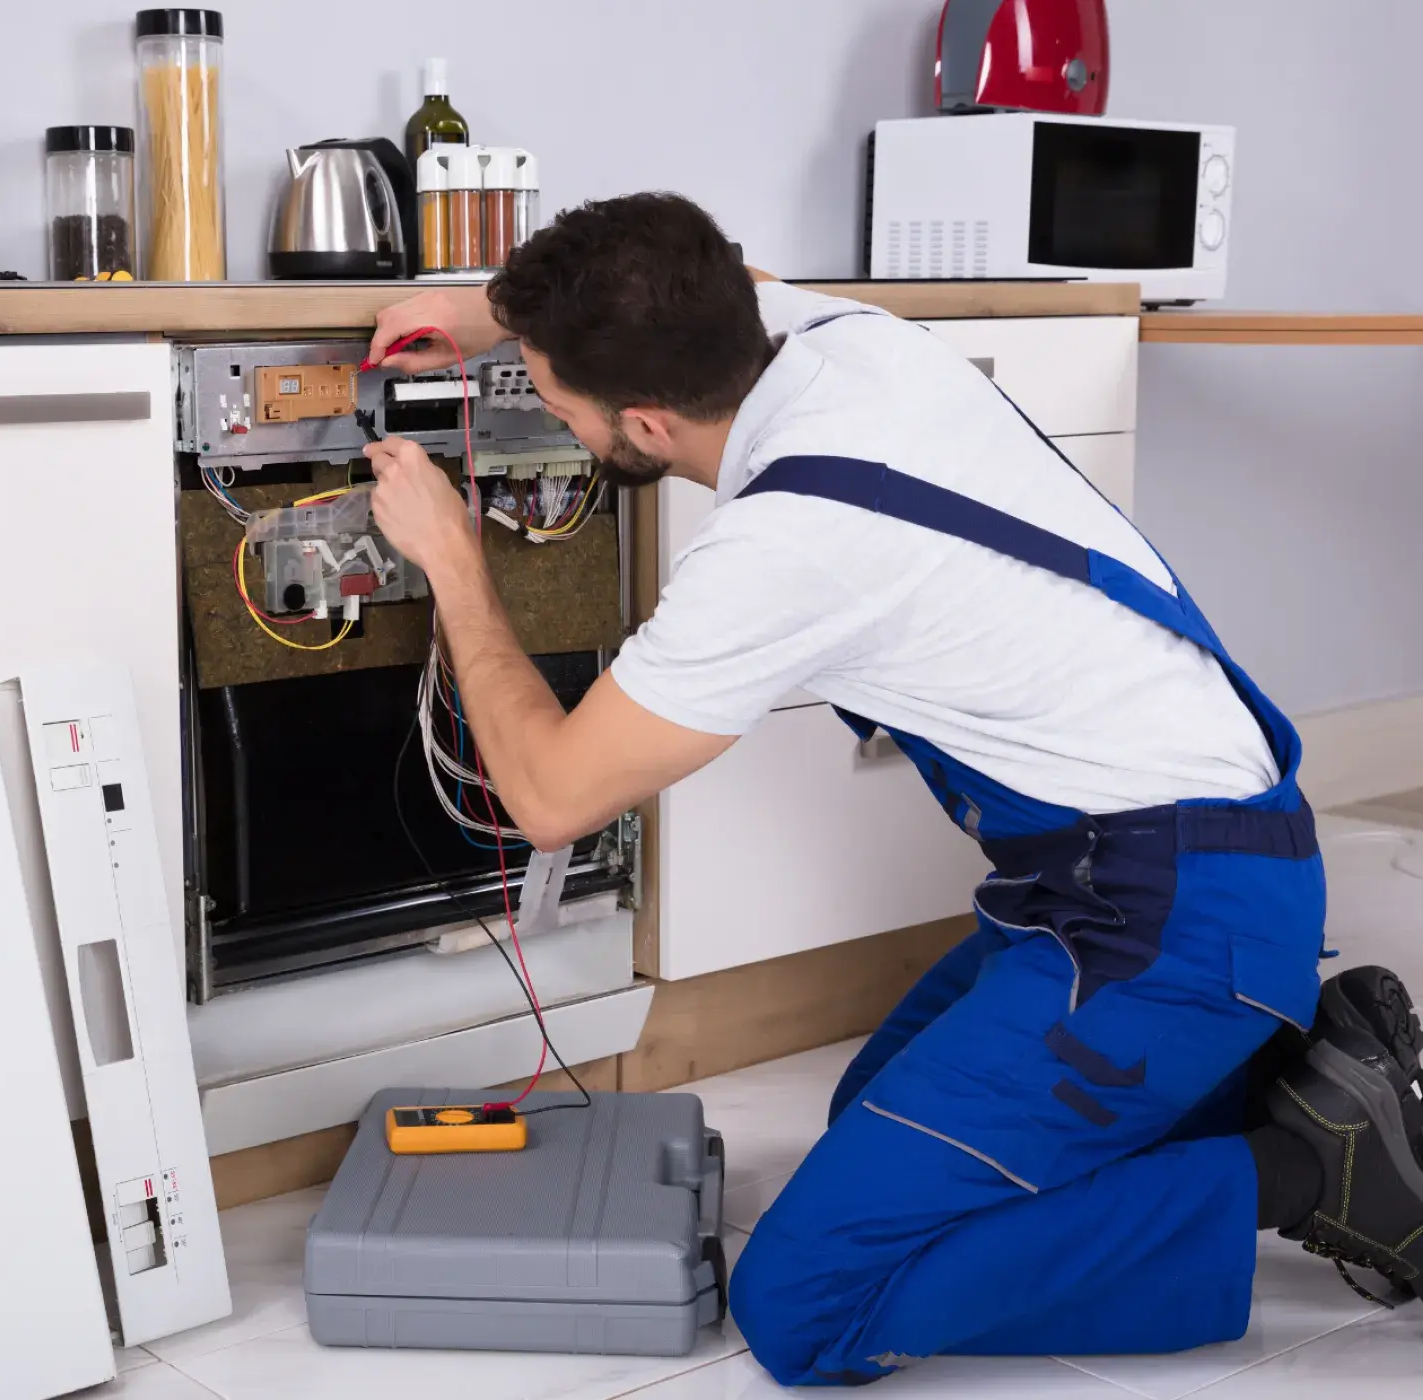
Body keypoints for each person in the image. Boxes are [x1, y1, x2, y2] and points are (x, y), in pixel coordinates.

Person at [361, 192, 1423, 1385]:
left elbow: (553, 796)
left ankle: (1311, 1165)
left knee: (814, 1299)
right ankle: (1288, 1073)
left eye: (550, 397)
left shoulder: (790, 541)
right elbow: (724, 263)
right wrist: (486, 310)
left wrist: (455, 563)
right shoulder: (832, 338)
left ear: (646, 424)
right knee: (872, 1115)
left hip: (1167, 918)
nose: (539, 406)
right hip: (1159, 867)